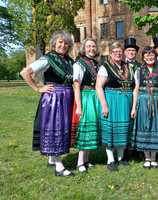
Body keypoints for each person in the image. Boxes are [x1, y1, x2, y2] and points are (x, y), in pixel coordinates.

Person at [20, 30, 75, 177]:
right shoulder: (47, 59)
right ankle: (59, 167)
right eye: (60, 43)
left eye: (65, 43)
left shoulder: (69, 61)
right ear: (54, 44)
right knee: (56, 129)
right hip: (54, 98)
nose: (63, 45)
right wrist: (38, 88)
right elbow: (25, 72)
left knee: (62, 128)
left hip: (66, 98)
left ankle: (52, 159)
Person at [96, 41, 134, 172]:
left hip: (125, 102)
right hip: (111, 100)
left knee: (123, 128)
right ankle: (110, 160)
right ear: (110, 54)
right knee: (110, 129)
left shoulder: (128, 67)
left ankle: (120, 158)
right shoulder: (105, 67)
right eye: (115, 51)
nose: (118, 53)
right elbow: (99, 87)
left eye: (120, 51)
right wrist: (104, 104)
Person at [131, 46, 158, 169]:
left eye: (152, 54)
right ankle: (147, 157)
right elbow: (135, 89)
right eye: (147, 55)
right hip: (142, 100)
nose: (149, 57)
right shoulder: (139, 70)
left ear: (155, 56)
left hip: (157, 100)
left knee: (155, 126)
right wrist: (133, 108)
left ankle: (154, 157)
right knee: (145, 126)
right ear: (143, 57)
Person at [72, 38, 100, 174]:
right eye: (88, 46)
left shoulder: (95, 63)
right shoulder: (80, 63)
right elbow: (76, 85)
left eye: (94, 46)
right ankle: (79, 162)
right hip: (86, 96)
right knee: (85, 129)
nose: (92, 49)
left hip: (95, 97)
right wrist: (79, 106)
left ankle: (86, 160)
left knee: (92, 128)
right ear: (83, 48)